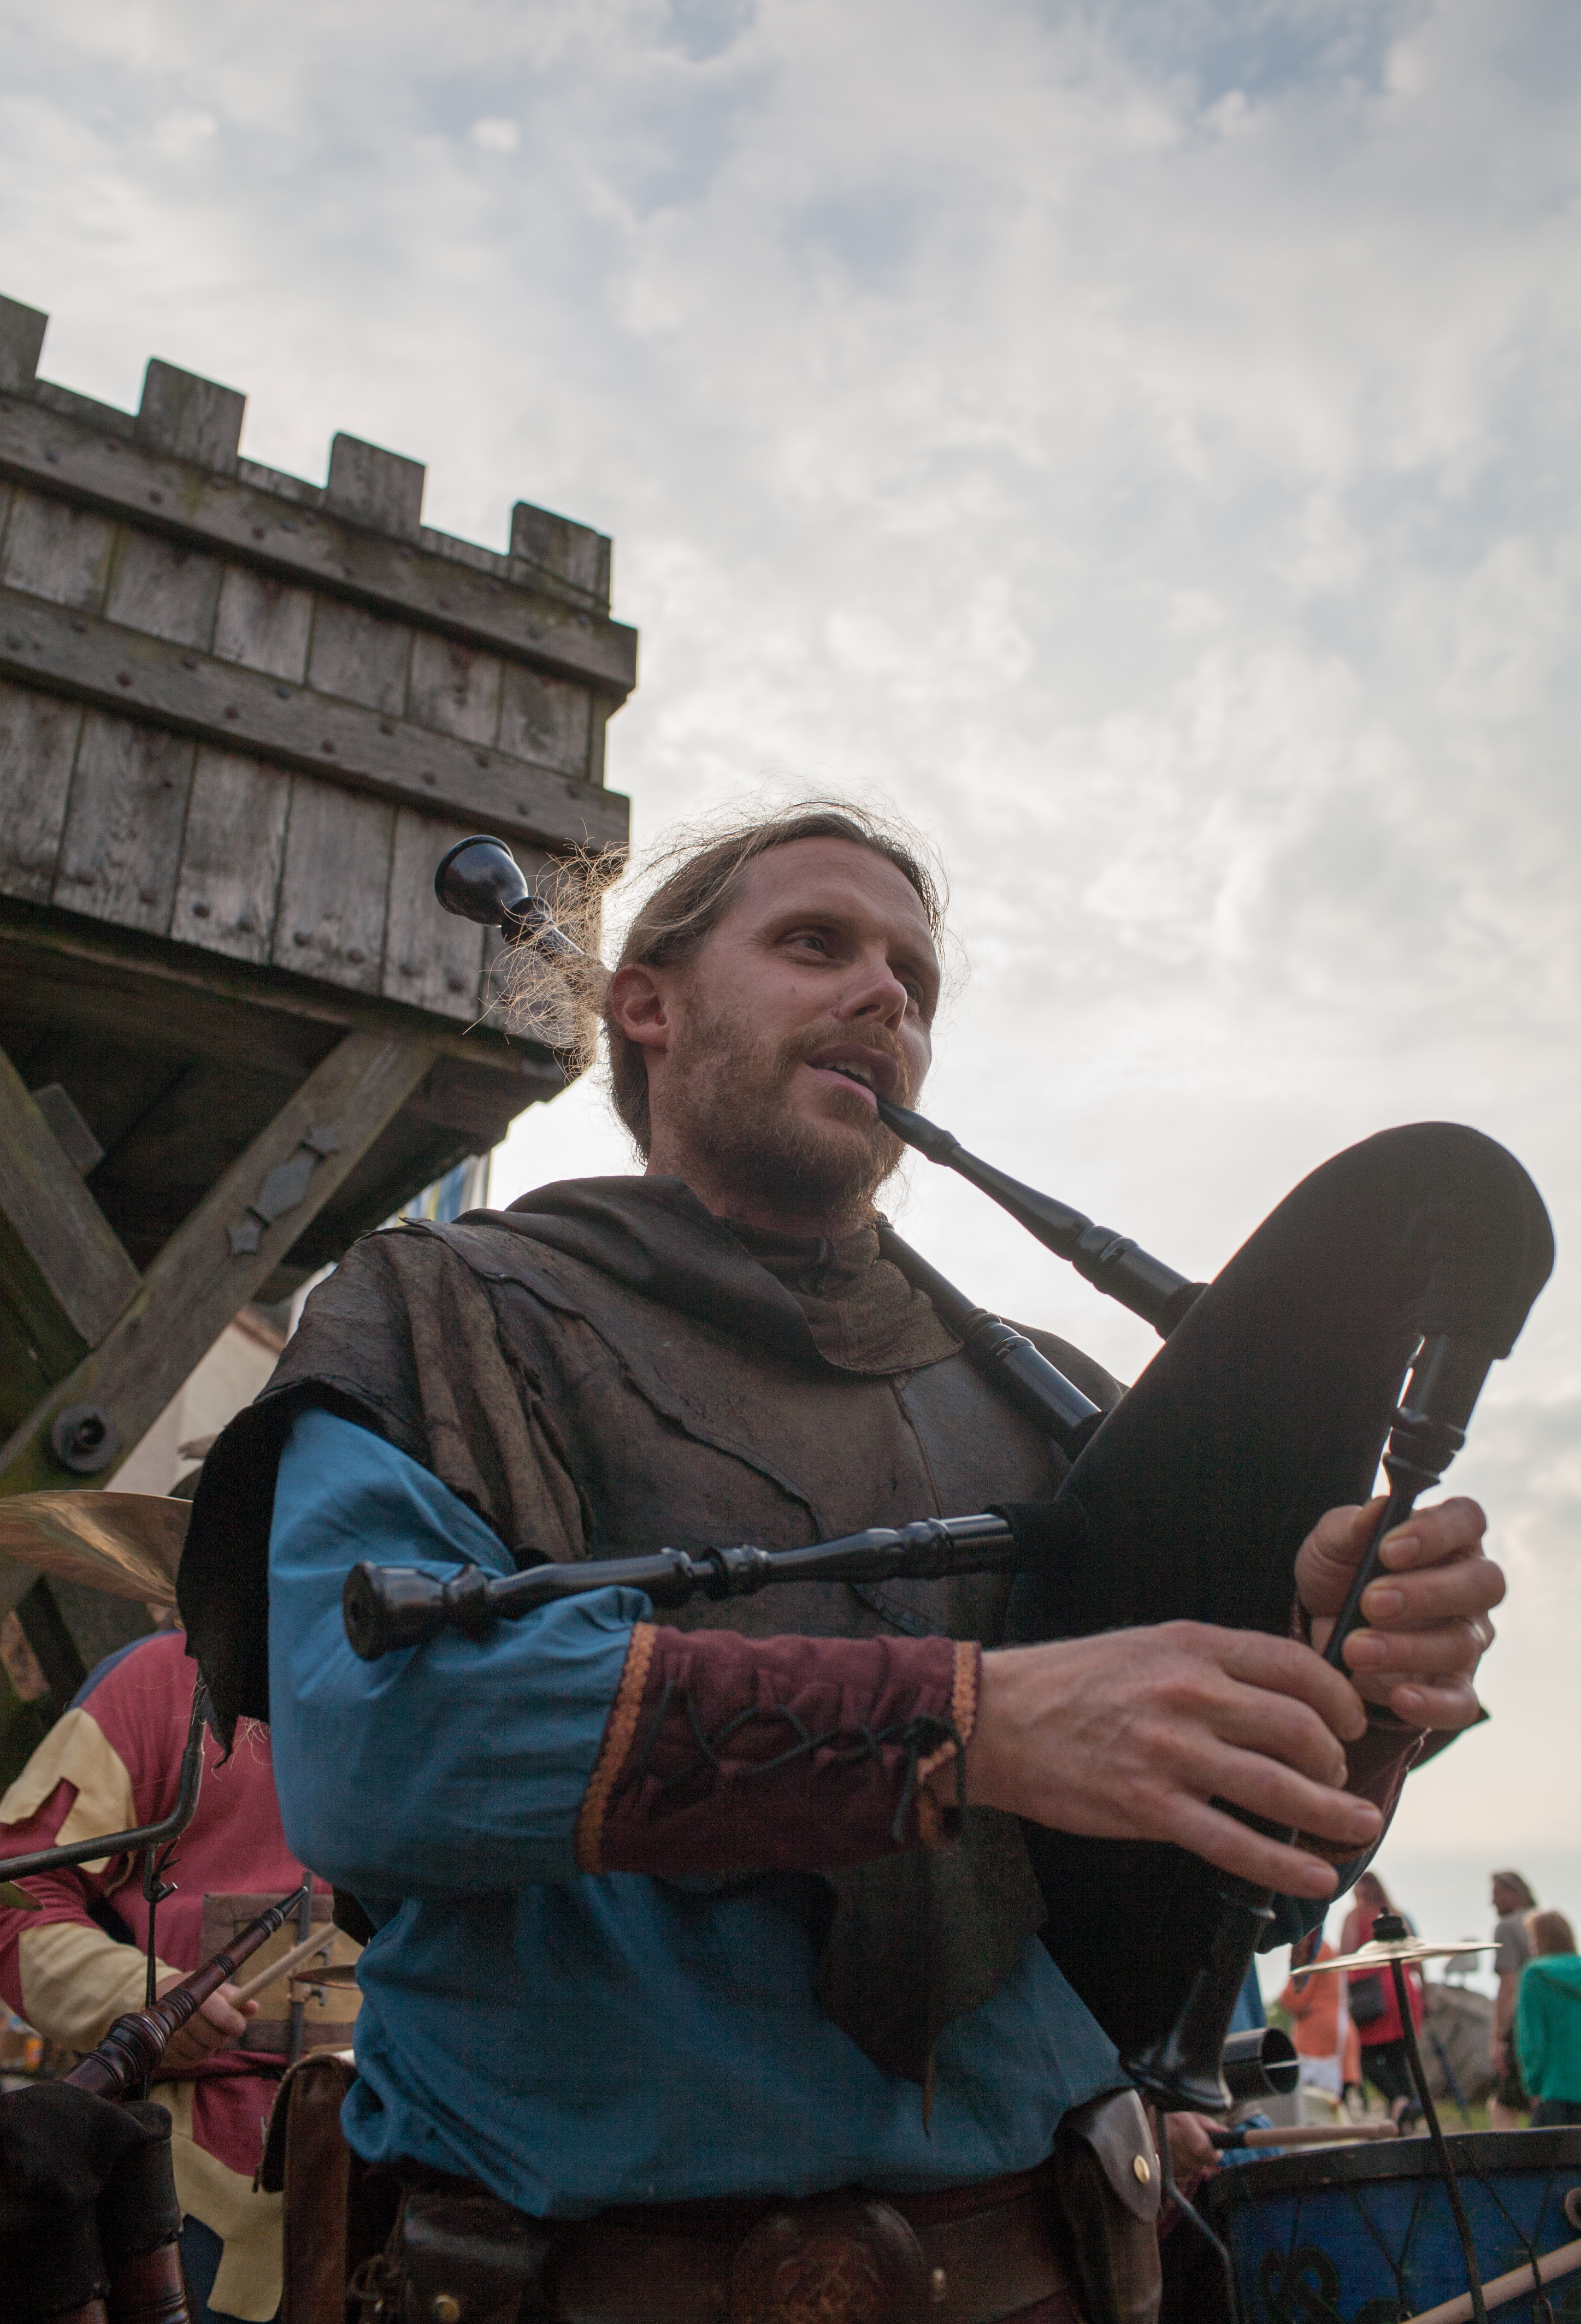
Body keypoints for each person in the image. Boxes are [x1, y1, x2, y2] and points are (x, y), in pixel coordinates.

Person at [180, 801, 1505, 2324]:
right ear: (648, 1005)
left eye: (914, 981)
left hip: (1048, 2277)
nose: (884, 994)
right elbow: (375, 1752)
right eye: (815, 944)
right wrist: (972, 1725)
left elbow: (1225, 1900)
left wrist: (1347, 1694)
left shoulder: (1052, 1403)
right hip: (574, 2286)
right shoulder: (442, 1313)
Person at [0, 1629, 357, 2324]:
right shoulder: (156, 1681)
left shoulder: (460, 1689)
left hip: (421, 2169)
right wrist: (143, 1996)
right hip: (200, 2186)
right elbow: (10, 1896)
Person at [1341, 1871, 1426, 2124]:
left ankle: (1398, 2100)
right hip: (1403, 1989)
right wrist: (1426, 1993)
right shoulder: (1396, 1915)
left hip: (1372, 1993)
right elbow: (1416, 1958)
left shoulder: (1355, 1916)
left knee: (1366, 2056)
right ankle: (1407, 2109)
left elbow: (1347, 1953)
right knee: (1398, 2056)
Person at [1514, 1911, 1581, 2127]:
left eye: (1533, 1937)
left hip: (1557, 2091)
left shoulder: (1535, 1975)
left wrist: (1533, 2087)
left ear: (1541, 1940)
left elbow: (1532, 2040)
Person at [1278, 1930, 1349, 2107]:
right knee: (1329, 2104)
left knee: (1310, 2105)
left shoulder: (1315, 1949)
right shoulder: (1329, 1949)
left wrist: (1292, 2001)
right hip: (1337, 2033)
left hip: (1315, 2035)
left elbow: (1294, 1999)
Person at [1489, 1869, 1537, 2128]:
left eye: (1497, 1894)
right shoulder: (1543, 1922)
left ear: (1514, 1893)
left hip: (1523, 2021)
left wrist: (1499, 2038)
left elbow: (1509, 1983)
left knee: (1504, 2105)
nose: (1492, 1902)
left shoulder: (1507, 1927)